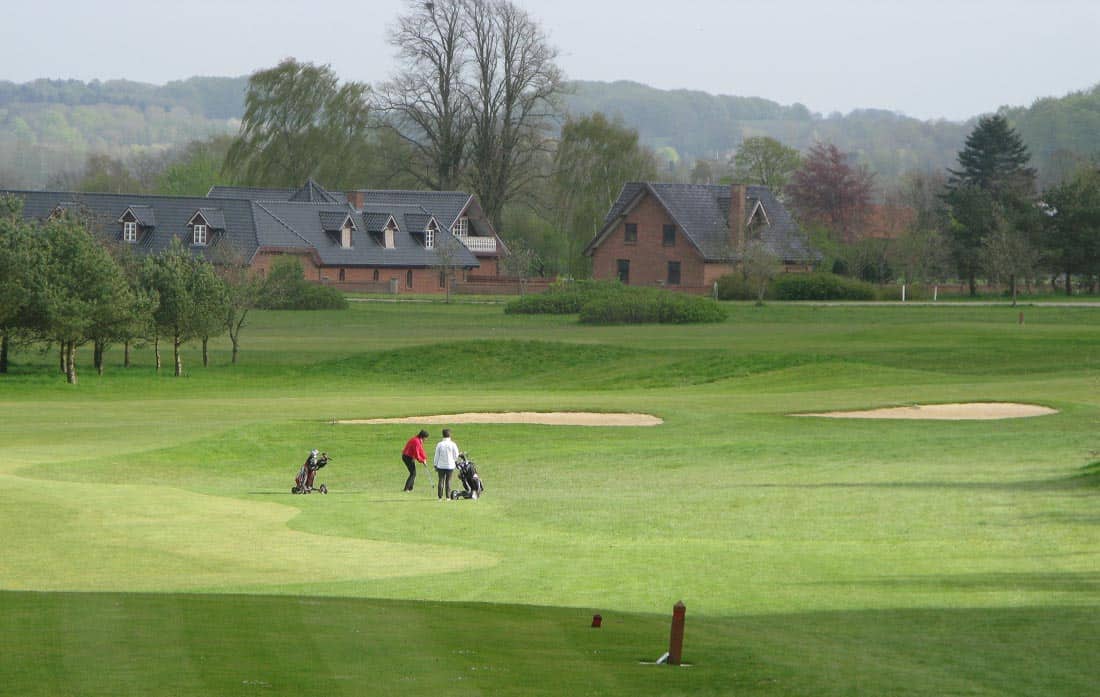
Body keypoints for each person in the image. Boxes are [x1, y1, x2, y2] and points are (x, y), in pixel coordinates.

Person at [433, 428, 460, 501]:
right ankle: (448, 497)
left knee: (441, 480)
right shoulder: (453, 444)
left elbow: (436, 455)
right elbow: (456, 455)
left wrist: (435, 464)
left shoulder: (439, 444)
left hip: (441, 465)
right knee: (448, 481)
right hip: (450, 466)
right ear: (450, 435)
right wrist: (454, 460)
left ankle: (440, 497)